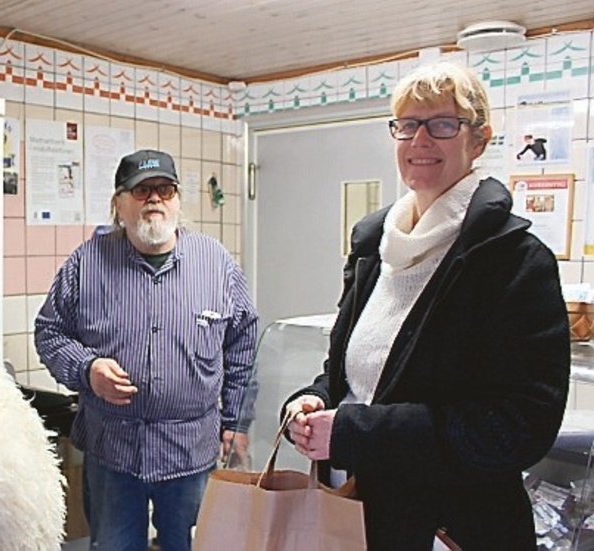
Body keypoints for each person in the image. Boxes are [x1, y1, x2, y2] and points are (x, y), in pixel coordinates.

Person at [283, 61, 569, 550]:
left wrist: (355, 432)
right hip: (358, 515)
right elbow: (351, 374)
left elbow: (520, 426)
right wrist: (313, 402)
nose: (420, 140)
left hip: (453, 528)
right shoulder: (376, 248)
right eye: (407, 125)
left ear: (477, 141)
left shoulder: (513, 259)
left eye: (442, 125)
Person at [34, 149, 258, 551]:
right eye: (141, 191)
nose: (154, 199)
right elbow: (49, 332)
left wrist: (237, 423)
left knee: (194, 546)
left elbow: (243, 345)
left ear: (176, 200)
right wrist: (87, 368)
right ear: (119, 204)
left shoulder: (216, 264)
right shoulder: (86, 264)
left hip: (191, 452)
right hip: (112, 450)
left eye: (165, 189)